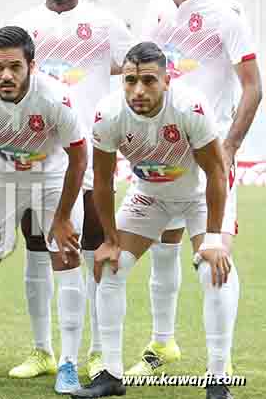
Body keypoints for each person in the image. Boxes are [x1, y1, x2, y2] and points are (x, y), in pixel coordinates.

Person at [128, 0, 261, 377]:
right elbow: (143, 75)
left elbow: (253, 88)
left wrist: (229, 146)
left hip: (206, 156)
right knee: (163, 252)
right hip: (159, 154)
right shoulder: (154, 9)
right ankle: (162, 345)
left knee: (212, 260)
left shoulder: (226, 12)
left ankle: (218, 370)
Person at [71, 42, 236, 399]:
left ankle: (219, 379)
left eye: (148, 80)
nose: (138, 90)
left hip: (200, 195)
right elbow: (102, 180)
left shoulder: (190, 107)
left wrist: (211, 239)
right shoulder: (108, 113)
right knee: (110, 268)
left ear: (166, 80)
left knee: (214, 270)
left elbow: (217, 173)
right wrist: (111, 240)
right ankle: (111, 374)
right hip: (149, 194)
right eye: (130, 81)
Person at [9, 0, 135, 384]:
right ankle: (43, 349)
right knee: (39, 252)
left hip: (93, 157)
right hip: (40, 160)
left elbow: (135, 70)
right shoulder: (23, 25)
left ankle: (100, 352)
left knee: (96, 252)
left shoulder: (106, 24)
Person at [0, 26, 87, 390]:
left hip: (52, 177)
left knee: (67, 259)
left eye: (14, 67)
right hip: (0, 175)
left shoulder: (56, 97)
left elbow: (79, 157)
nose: (5, 75)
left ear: (31, 66)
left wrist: (61, 219)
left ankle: (68, 363)